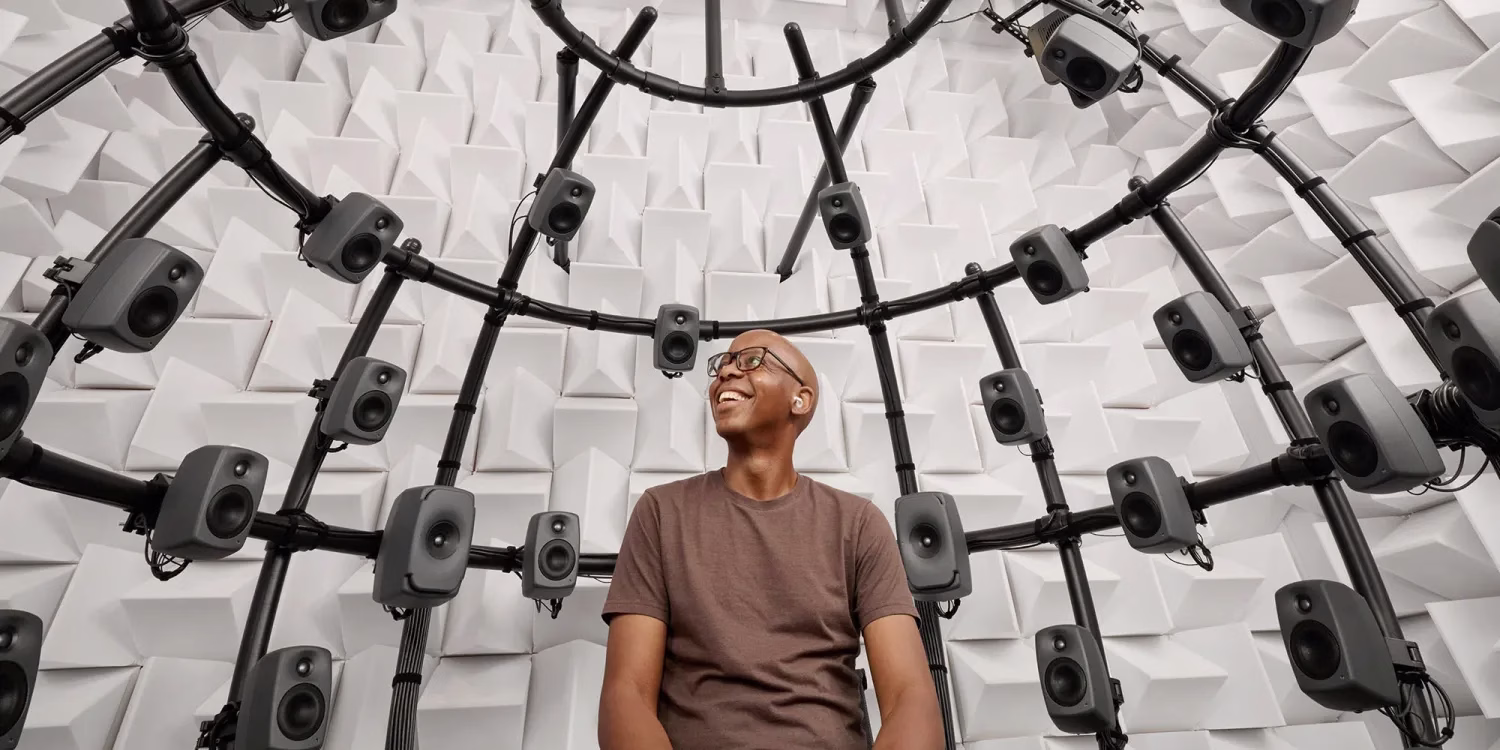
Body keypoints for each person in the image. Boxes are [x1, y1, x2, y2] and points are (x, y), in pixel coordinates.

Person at [598, 329, 945, 750]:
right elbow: (627, 694)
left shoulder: (858, 524)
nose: (726, 372)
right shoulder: (660, 512)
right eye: (722, 364)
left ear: (801, 399)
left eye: (750, 360)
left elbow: (910, 698)